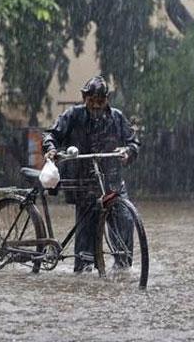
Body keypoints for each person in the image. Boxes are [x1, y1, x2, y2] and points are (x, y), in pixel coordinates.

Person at [42, 75, 140, 272]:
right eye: (92, 101)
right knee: (88, 228)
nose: (96, 105)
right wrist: (51, 148)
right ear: (84, 98)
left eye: (100, 101)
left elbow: (133, 142)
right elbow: (50, 134)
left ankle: (123, 267)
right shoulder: (73, 115)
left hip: (113, 182)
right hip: (85, 183)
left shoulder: (117, 117)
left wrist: (127, 152)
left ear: (107, 100)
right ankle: (84, 269)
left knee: (126, 220)